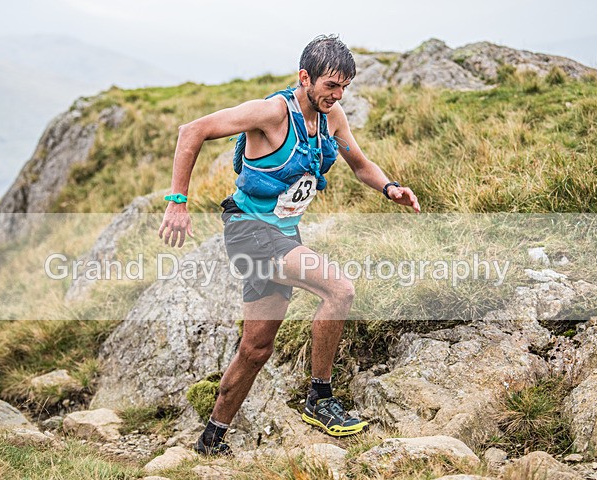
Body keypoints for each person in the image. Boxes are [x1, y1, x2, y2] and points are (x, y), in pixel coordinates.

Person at [158, 35, 420, 455]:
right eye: (331, 86)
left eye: (344, 87)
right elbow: (192, 131)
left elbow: (359, 164)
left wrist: (390, 188)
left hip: (282, 234)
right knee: (339, 289)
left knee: (256, 348)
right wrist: (177, 202)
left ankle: (211, 440)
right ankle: (320, 398)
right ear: (305, 78)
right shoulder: (272, 113)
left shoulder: (333, 118)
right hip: (248, 231)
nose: (337, 95)